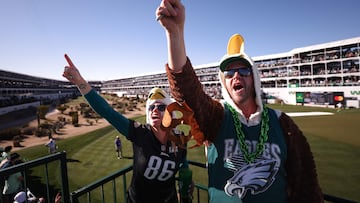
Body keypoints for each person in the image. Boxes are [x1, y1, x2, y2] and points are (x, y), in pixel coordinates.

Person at [156, 1, 323, 203]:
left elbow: (306, 186)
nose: (236, 76)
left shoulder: (283, 124)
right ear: (224, 82)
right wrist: (175, 33)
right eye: (229, 73)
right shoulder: (216, 117)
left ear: (254, 78)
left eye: (244, 71)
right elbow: (187, 92)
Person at [62, 54, 191, 203]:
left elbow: (184, 165)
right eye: (151, 107)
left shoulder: (180, 138)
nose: (155, 110)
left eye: (161, 107)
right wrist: (80, 82)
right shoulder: (139, 133)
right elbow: (107, 111)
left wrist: (187, 184)